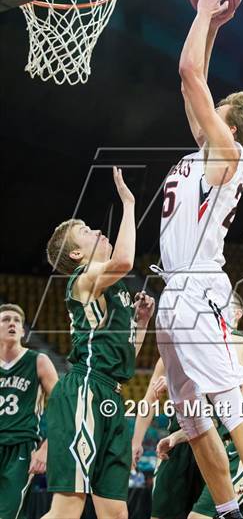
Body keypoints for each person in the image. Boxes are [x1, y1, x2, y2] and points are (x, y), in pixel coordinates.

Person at [154, 0, 243, 519]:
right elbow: (195, 79)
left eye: (215, 108)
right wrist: (214, 27)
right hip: (173, 293)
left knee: (233, 410)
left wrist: (206, 9)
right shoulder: (211, 147)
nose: (205, 109)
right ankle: (227, 511)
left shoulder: (225, 152)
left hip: (200, 290)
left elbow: (187, 74)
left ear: (227, 123)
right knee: (194, 421)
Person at [41, 168, 155, 519]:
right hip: (85, 390)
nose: (98, 231)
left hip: (113, 394)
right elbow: (123, 260)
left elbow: (126, 356)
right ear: (76, 255)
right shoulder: (82, 279)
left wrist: (141, 323)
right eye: (87, 232)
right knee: (66, 510)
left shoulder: (115, 291)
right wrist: (129, 204)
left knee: (116, 514)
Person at [134, 293, 243, 519]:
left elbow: (218, 377)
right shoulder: (178, 351)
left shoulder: (237, 341)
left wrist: (181, 380)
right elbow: (150, 401)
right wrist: (137, 441)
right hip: (190, 439)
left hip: (235, 444)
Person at [0, 302, 58, 519]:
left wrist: (45, 448)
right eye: (6, 319)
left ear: (23, 331)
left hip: (21, 447)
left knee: (9, 513)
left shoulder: (39, 361)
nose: (12, 323)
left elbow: (63, 407)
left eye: (17, 321)